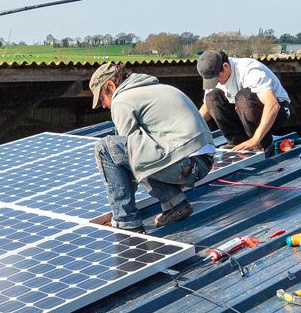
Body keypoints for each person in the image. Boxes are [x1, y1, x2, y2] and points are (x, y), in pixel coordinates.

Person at [88, 61, 215, 232]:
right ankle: (175, 204)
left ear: (110, 86)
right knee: (142, 150)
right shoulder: (152, 88)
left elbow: (129, 156)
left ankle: (126, 222)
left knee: (104, 148)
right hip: (202, 161)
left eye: (102, 98)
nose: (103, 105)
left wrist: (121, 205)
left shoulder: (122, 100)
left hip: (185, 163)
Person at [196, 50, 294, 154]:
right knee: (211, 97)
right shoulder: (216, 76)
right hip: (242, 111)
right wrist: (190, 132)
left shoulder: (250, 70)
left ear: (225, 66)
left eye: (217, 79)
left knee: (242, 98)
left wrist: (255, 139)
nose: (216, 82)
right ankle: (236, 142)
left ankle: (263, 143)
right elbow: (206, 108)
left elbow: (273, 105)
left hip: (277, 111)